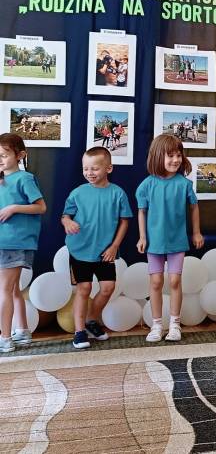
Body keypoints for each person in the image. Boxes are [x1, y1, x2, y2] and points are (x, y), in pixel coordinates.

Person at [62, 147, 132, 349]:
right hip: (79, 250)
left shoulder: (117, 193)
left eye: (94, 168)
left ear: (108, 168)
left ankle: (91, 320)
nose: (89, 173)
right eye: (85, 168)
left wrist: (114, 246)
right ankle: (79, 332)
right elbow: (65, 216)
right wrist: (67, 222)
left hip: (105, 251)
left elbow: (124, 221)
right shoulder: (77, 193)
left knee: (108, 288)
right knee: (84, 289)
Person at [136, 134, 203, 343]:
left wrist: (196, 232)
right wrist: (142, 237)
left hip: (177, 241)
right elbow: (142, 212)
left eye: (178, 155)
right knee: (156, 282)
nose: (176, 160)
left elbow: (194, 207)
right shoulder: (147, 185)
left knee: (175, 281)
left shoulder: (184, 184)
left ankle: (175, 324)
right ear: (158, 156)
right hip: (154, 242)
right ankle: (156, 325)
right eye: (170, 155)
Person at [0, 133, 46, 353]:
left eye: (4, 155)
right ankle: (23, 331)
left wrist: (14, 208)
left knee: (5, 290)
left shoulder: (24, 178)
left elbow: (41, 207)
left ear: (20, 155)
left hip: (13, 242)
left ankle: (5, 338)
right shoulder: (1, 179)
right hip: (4, 241)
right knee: (12, 289)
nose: (0, 160)